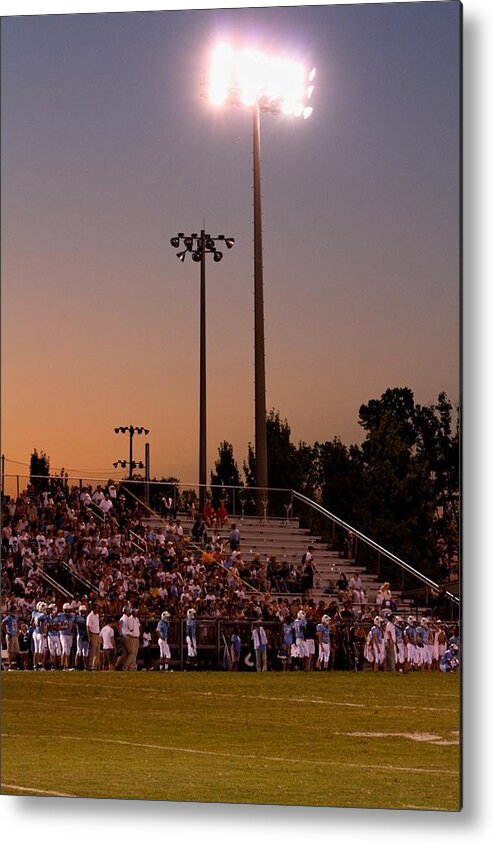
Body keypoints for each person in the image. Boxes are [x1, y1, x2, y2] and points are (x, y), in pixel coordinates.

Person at [58, 602, 76, 670]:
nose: (68, 611)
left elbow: (74, 625)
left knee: (68, 650)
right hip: (63, 634)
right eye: (66, 610)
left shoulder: (73, 615)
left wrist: (73, 628)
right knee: (64, 649)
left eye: (69, 609)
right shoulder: (60, 616)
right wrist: (65, 627)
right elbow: (59, 627)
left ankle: (67, 666)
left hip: (70, 634)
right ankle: (62, 665)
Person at [2, 604, 20, 670]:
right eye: (15, 610)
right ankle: (10, 665)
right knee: (10, 651)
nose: (16, 611)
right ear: (12, 610)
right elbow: (2, 624)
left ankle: (18, 665)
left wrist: (17, 631)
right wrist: (7, 632)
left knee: (17, 651)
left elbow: (16, 624)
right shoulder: (8, 617)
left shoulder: (15, 617)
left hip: (15, 635)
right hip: (10, 635)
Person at [86, 602, 101, 671]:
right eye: (97, 608)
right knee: (93, 651)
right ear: (94, 609)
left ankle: (94, 665)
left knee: (97, 651)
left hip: (97, 634)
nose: (98, 610)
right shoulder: (90, 616)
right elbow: (88, 627)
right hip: (93, 634)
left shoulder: (97, 615)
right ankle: (90, 665)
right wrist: (89, 637)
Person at [75, 605, 89, 670]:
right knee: (79, 651)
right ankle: (77, 666)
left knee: (85, 652)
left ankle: (85, 667)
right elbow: (79, 625)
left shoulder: (87, 617)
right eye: (83, 611)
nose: (84, 613)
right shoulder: (78, 617)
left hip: (85, 635)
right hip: (80, 635)